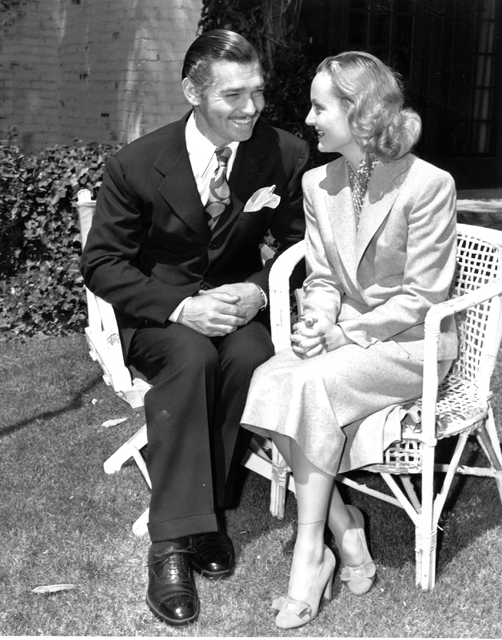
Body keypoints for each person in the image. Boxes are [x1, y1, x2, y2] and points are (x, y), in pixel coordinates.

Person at [80, 29, 309, 627]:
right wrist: (181, 308)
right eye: (234, 95)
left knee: (250, 356)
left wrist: (257, 290)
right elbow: (101, 263)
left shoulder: (279, 154)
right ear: (192, 91)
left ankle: (208, 506)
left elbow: (299, 248)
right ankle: (173, 544)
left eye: (257, 93)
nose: (252, 108)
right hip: (160, 315)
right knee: (191, 359)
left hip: (235, 308)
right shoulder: (136, 164)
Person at [241, 51, 458, 630]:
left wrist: (343, 334)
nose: (309, 120)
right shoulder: (318, 181)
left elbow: (424, 297)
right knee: (267, 377)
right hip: (345, 338)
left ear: (359, 114)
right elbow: (322, 278)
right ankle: (345, 528)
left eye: (319, 107)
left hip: (413, 345)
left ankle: (309, 558)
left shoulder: (429, 184)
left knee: (306, 384)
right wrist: (316, 320)